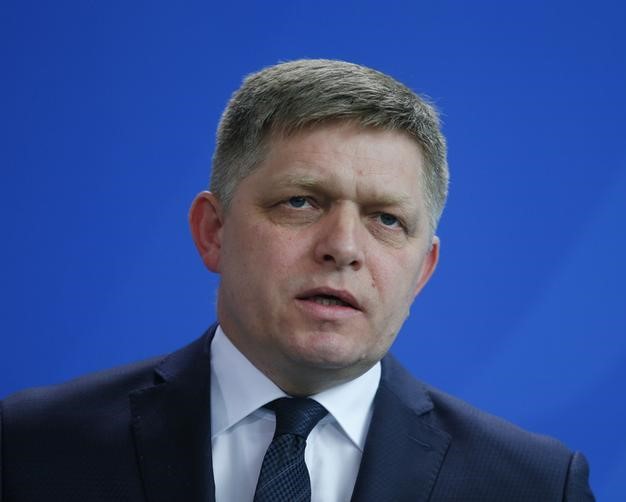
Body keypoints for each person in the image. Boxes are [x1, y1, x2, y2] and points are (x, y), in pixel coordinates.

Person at [0, 59, 595, 501]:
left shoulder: (534, 485)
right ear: (213, 231)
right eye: (300, 203)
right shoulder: (29, 448)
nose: (343, 247)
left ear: (423, 270)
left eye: (387, 219)